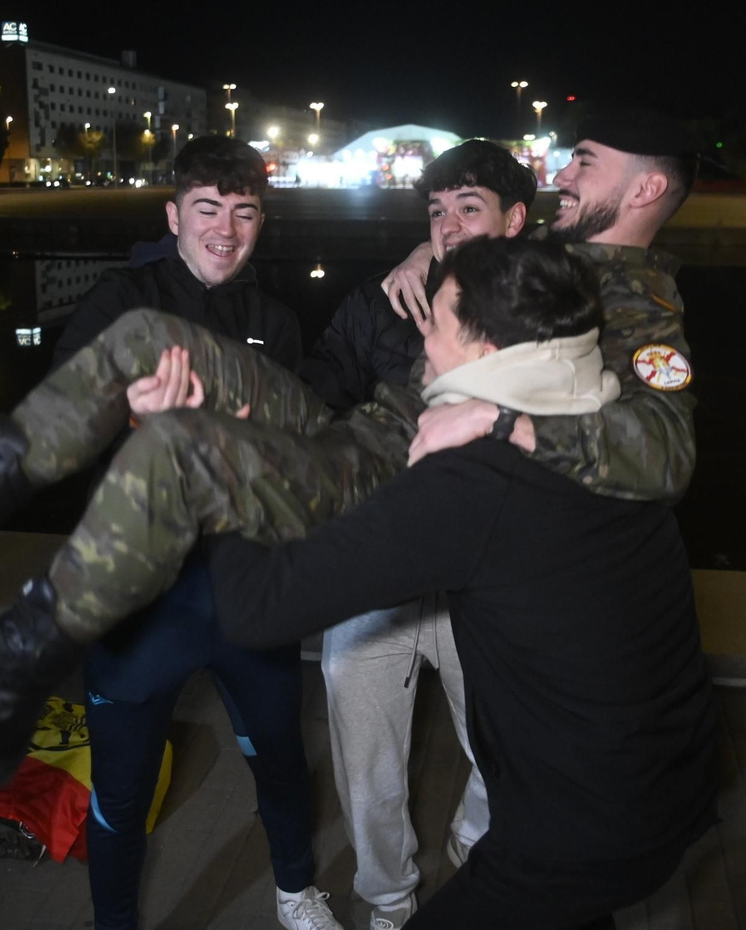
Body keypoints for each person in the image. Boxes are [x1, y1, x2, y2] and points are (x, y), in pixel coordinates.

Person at [0, 107, 699, 789]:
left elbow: (664, 452)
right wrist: (433, 254)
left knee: (178, 454)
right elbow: (468, 276)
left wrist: (503, 421)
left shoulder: (640, 297)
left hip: (384, 473)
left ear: (646, 188)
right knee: (141, 339)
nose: (565, 170)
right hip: (355, 424)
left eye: (585, 159)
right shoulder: (533, 257)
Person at [213, 235, 718, 929]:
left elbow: (253, 606)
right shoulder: (604, 431)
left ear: (487, 354)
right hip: (668, 790)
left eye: (438, 321)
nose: (421, 330)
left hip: (570, 834)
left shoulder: (476, 480)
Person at [50, 137, 337, 930]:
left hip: (246, 589)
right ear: (174, 214)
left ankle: (295, 888)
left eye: (245, 213)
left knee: (280, 757)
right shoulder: (123, 300)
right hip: (139, 599)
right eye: (208, 209)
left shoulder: (274, 322)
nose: (226, 229)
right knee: (122, 790)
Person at [297, 139, 532, 929]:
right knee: (364, 761)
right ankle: (386, 900)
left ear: (516, 220)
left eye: (471, 208)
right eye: (435, 212)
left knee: (505, 749)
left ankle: (474, 853)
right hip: (378, 569)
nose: (449, 226)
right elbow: (321, 383)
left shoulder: (551, 311)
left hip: (484, 582)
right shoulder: (380, 303)